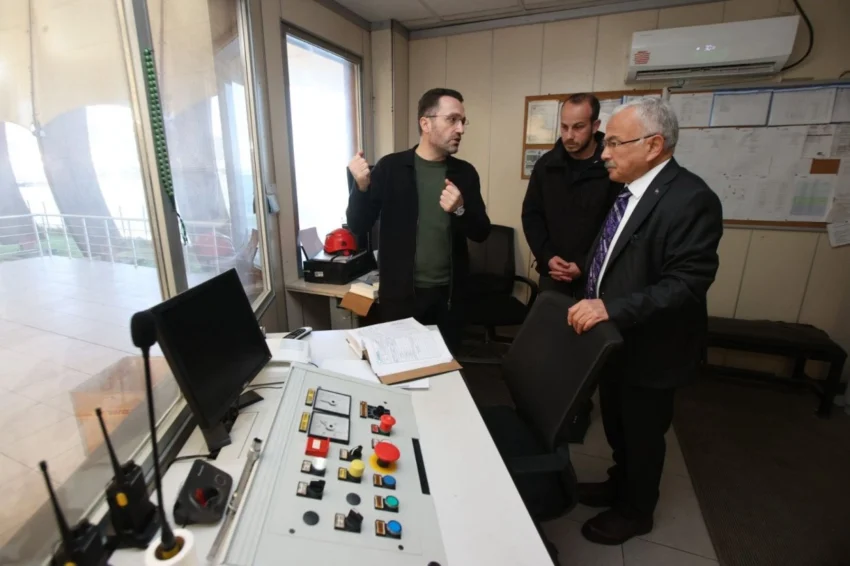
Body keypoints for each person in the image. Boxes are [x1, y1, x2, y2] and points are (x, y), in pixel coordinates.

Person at [566, 98, 723, 545]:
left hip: (652, 347)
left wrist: (610, 308)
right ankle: (620, 484)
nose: (604, 153)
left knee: (642, 434)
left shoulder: (691, 199)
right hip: (616, 342)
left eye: (614, 143)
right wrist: (587, 273)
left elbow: (686, 284)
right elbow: (621, 254)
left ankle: (636, 512)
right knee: (618, 425)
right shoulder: (630, 189)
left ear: (653, 145)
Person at [346, 88, 491, 351]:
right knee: (401, 365)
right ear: (425, 123)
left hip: (449, 297)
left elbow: (481, 231)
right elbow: (358, 225)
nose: (460, 129)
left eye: (462, 121)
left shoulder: (465, 173)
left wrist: (460, 209)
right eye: (452, 119)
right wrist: (361, 187)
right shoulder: (391, 168)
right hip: (401, 297)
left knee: (445, 368)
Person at [522, 93, 621, 297]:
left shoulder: (613, 167)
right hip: (554, 273)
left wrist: (584, 263)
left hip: (598, 274)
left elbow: (617, 224)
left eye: (578, 127)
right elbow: (532, 216)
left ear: (595, 126)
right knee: (550, 317)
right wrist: (548, 256)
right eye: (564, 127)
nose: (569, 135)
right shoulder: (546, 166)